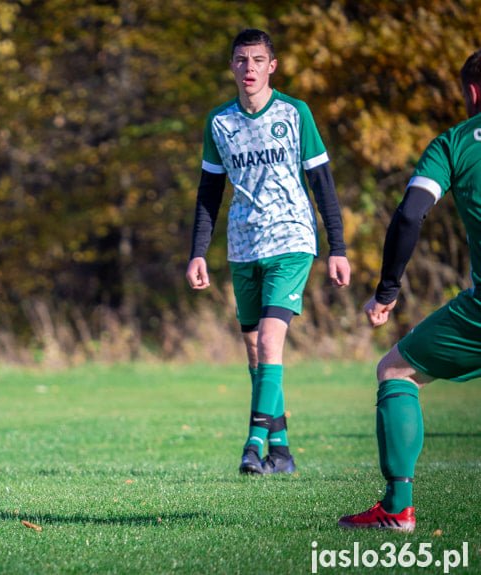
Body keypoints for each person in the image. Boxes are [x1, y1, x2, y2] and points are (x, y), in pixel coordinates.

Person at [186, 29, 351, 475]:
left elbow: (322, 183)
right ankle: (281, 450)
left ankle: (253, 443)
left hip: (292, 241)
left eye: (258, 60)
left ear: (272, 66)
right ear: (232, 66)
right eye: (241, 60)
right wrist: (198, 252)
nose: (250, 68)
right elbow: (209, 192)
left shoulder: (295, 113)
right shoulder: (219, 123)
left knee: (269, 340)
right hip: (243, 246)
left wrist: (338, 247)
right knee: (255, 353)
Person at [338, 49, 481, 533]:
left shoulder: (454, 145)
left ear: (473, 93)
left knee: (395, 370)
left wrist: (386, 291)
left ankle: (398, 509)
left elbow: (410, 214)